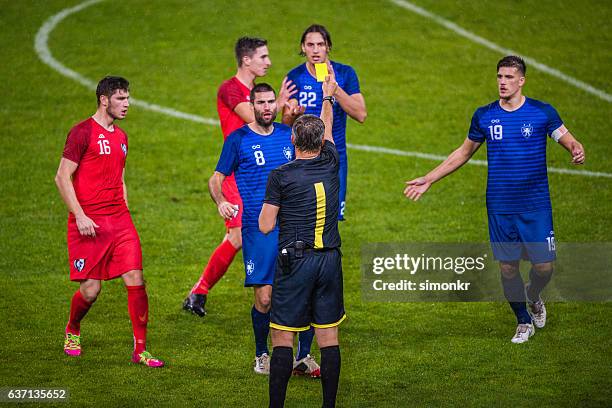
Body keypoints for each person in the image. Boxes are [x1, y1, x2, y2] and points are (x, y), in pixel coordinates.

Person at [404, 56, 585, 343]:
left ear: (521, 80)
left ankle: (533, 294)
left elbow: (567, 138)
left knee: (544, 268)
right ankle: (522, 321)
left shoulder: (542, 113)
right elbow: (463, 153)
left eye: (509, 77)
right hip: (500, 206)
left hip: (535, 205)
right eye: (499, 76)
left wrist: (575, 148)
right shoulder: (485, 116)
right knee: (508, 267)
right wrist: (429, 178)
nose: (502, 82)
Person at [209, 83, 319, 376]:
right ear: (252, 105)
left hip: (293, 224)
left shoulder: (288, 135)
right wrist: (221, 201)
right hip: (259, 230)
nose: (268, 107)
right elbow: (216, 179)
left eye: (272, 102)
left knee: (304, 291)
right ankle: (261, 354)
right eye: (262, 102)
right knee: (265, 298)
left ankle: (303, 356)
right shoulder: (238, 140)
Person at [55, 76, 164, 367]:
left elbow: (120, 177)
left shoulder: (122, 137)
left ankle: (140, 350)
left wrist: (124, 210)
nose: (127, 104)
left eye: (127, 98)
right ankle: (73, 328)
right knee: (91, 290)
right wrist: (79, 215)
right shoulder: (81, 132)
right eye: (120, 98)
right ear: (104, 100)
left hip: (120, 221)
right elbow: (62, 176)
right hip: (88, 222)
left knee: (136, 278)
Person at [184, 37, 297, 317]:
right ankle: (199, 292)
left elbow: (274, 135)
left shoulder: (259, 94)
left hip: (261, 174)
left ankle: (273, 292)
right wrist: (279, 103)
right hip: (237, 173)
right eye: (263, 57)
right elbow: (253, 121)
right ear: (246, 60)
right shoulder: (231, 89)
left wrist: (290, 118)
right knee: (237, 234)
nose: (268, 62)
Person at [260, 70, 344, 407]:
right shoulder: (331, 161)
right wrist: (327, 96)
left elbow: (266, 225)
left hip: (296, 262)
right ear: (322, 142)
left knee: (281, 336)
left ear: (293, 140)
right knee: (328, 337)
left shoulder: (280, 175)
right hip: (330, 260)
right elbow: (326, 127)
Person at [283, 24, 367, 221]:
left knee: (331, 219)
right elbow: (285, 124)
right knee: (303, 217)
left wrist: (333, 87)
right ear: (303, 48)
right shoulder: (295, 77)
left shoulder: (345, 73)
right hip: (302, 158)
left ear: (328, 46)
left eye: (320, 44)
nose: (315, 50)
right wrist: (291, 114)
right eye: (310, 45)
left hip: (333, 157)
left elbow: (361, 114)